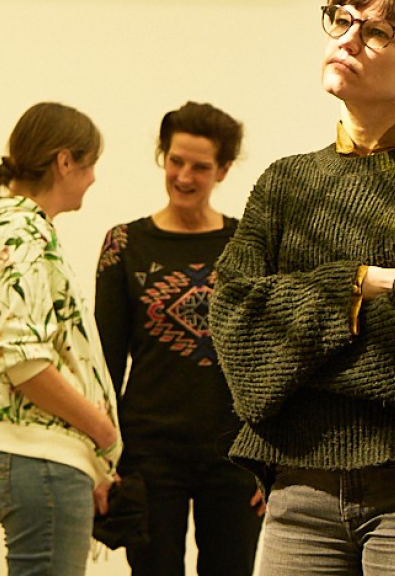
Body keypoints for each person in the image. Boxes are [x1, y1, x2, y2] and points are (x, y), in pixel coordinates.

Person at [210, 0, 395, 575]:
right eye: (341, 19)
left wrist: (301, 349)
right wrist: (360, 284)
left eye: (376, 32)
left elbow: (268, 327)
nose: (345, 38)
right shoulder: (287, 183)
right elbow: (235, 327)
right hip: (299, 486)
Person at [0, 101, 121, 576]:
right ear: (65, 161)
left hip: (26, 454)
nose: (92, 179)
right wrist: (102, 434)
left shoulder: (6, 229)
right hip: (39, 457)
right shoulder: (22, 234)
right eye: (90, 164)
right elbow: (23, 362)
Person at [94, 101, 263, 576]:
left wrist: (273, 458)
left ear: (224, 170)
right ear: (162, 156)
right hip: (147, 454)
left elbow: (268, 359)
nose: (184, 177)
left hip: (234, 456)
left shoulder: (248, 245)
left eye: (200, 167)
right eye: (175, 161)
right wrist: (102, 457)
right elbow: (105, 362)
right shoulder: (123, 245)